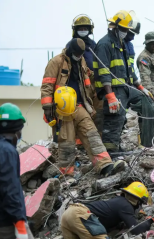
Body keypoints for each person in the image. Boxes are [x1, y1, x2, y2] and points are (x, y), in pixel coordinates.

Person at [40, 38, 116, 177]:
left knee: (91, 133)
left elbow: (87, 80)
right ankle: (67, 175)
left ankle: (104, 165)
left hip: (80, 105)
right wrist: (47, 107)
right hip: (63, 108)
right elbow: (47, 85)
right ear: (70, 50)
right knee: (67, 142)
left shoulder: (81, 61)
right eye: (77, 53)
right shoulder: (56, 62)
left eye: (81, 54)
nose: (79, 56)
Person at [94, 10, 154, 152]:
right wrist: (110, 96)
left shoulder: (122, 44)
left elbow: (129, 70)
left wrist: (141, 87)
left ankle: (147, 143)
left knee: (146, 101)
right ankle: (112, 153)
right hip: (111, 89)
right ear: (115, 27)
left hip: (125, 87)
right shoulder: (104, 44)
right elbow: (104, 73)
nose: (125, 32)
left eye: (126, 30)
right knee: (116, 117)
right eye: (123, 29)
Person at [61, 182, 154, 239]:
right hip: (80, 214)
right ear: (137, 201)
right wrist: (150, 220)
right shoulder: (126, 206)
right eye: (141, 203)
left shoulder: (118, 201)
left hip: (69, 214)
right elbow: (136, 229)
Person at [0, 103, 38, 239]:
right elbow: (9, 188)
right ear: (17, 129)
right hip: (7, 223)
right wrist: (20, 223)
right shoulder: (7, 151)